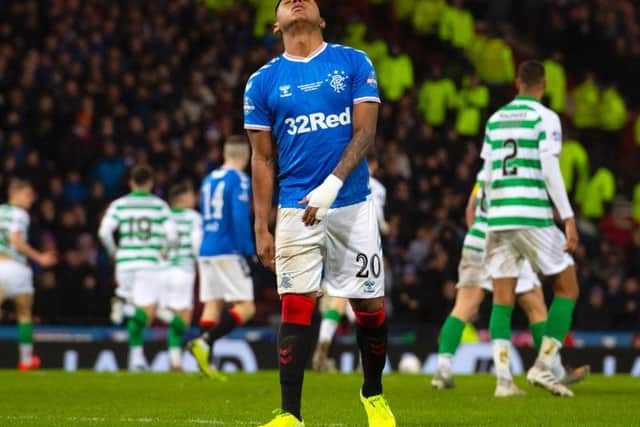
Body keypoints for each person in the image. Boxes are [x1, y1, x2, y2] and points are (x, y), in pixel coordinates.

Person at [245, 1, 394, 426]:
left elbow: (366, 131)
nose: (296, 0)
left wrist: (331, 184)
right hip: (294, 207)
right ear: (277, 24)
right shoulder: (262, 81)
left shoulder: (351, 61)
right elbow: (261, 159)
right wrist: (261, 224)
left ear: (321, 17)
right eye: (286, 0)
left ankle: (373, 395)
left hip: (352, 203)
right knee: (296, 304)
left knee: (369, 306)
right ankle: (290, 415)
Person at [431, 178, 588, 395]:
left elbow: (471, 206)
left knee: (464, 305)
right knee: (534, 305)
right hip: (506, 237)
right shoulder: (519, 171)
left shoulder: (485, 171)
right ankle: (553, 370)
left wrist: (475, 230)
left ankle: (443, 368)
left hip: (476, 239)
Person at [481, 60, 580, 397]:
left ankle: (503, 381)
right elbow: (550, 167)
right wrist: (567, 216)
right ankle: (543, 366)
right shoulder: (545, 117)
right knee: (568, 288)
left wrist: (486, 215)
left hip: (498, 218)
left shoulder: (494, 120)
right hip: (532, 215)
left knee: (502, 299)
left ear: (516, 82)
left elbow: (488, 175)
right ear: (545, 84)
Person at [187, 135, 256, 381]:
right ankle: (204, 342)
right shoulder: (239, 179)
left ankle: (205, 365)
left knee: (213, 304)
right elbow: (239, 217)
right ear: (246, 157)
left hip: (207, 248)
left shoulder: (208, 180)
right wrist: (248, 250)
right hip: (228, 249)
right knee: (246, 307)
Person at [312, 153, 389, 372]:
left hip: (337, 244)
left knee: (339, 298)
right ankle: (364, 361)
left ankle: (323, 348)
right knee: (365, 301)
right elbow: (379, 221)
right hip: (365, 246)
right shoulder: (377, 187)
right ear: (371, 164)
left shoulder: (335, 179)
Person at [98, 165, 178, 370]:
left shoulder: (119, 205)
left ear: (131, 183)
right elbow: (172, 235)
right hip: (149, 264)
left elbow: (104, 232)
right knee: (148, 314)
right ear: (150, 183)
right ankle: (125, 308)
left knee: (138, 312)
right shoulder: (160, 206)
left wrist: (113, 251)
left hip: (125, 262)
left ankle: (136, 358)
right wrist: (165, 250)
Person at [0, 178, 57, 370]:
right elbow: (15, 239)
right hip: (15, 267)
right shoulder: (20, 214)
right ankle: (25, 360)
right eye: (28, 195)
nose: (31, 200)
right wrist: (39, 257)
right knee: (24, 314)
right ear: (15, 193)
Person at [160, 181, 202, 371]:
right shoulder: (193, 217)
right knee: (183, 321)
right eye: (192, 195)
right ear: (183, 198)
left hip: (163, 270)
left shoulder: (163, 216)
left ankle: (175, 363)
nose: (194, 198)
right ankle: (160, 312)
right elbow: (195, 243)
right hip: (183, 271)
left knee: (177, 323)